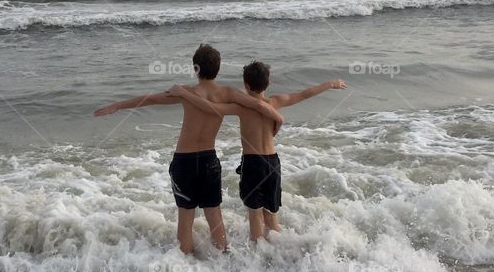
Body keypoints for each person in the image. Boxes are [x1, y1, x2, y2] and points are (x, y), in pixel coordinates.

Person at [94, 45, 283, 255]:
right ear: (218, 69)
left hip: (184, 161)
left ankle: (184, 265)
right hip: (209, 160)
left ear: (196, 69)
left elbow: (150, 99)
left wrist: (118, 105)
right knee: (213, 213)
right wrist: (278, 118)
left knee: (185, 215)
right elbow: (257, 105)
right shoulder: (228, 93)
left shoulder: (185, 92)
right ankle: (224, 259)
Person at [169, 61, 346, 242]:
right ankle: (277, 251)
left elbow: (210, 107)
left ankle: (258, 254)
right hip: (273, 162)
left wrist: (185, 94)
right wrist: (330, 84)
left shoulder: (242, 108)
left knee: (255, 214)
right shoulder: (276, 102)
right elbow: (304, 94)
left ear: (245, 86)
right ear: (268, 83)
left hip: (253, 163)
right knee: (270, 213)